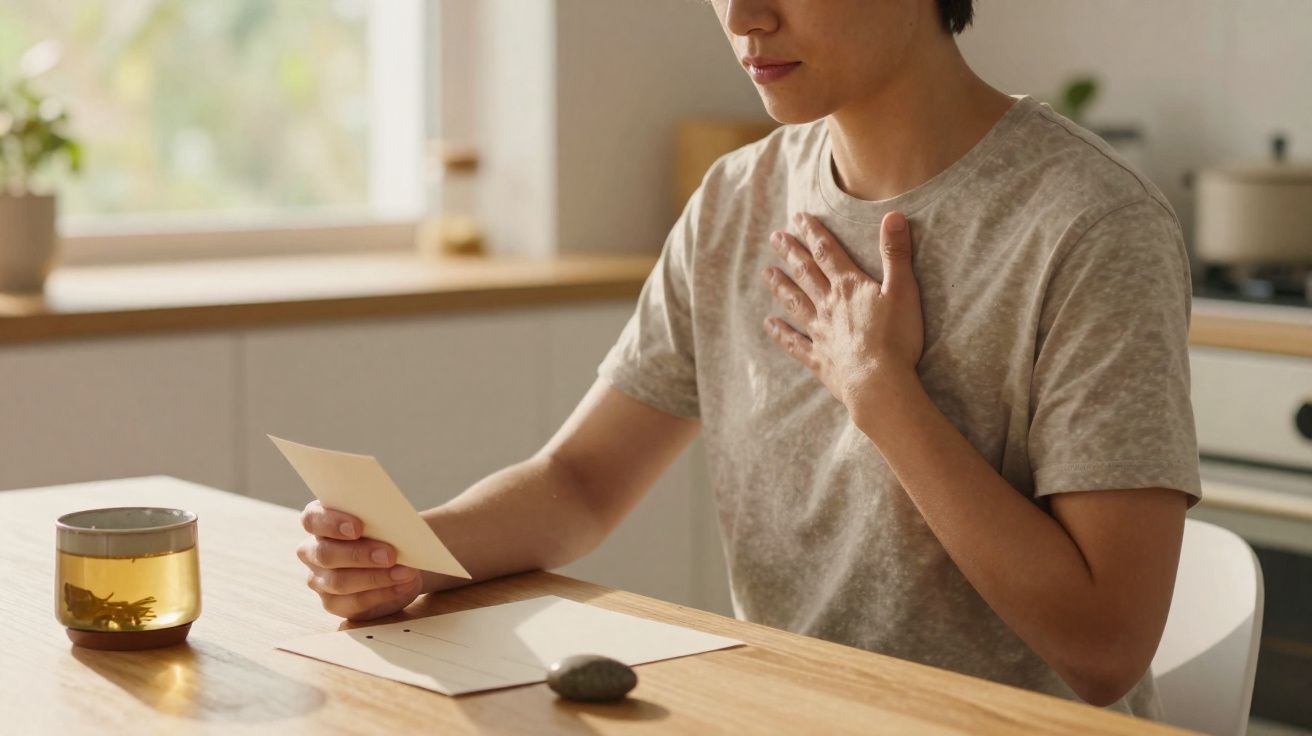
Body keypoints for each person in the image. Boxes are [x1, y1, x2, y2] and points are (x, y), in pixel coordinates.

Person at [295, 0, 1201, 719]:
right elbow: (579, 481)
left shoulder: (1091, 224)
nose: (741, 17)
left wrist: (882, 392)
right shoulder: (739, 195)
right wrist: (413, 555)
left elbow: (1104, 647)